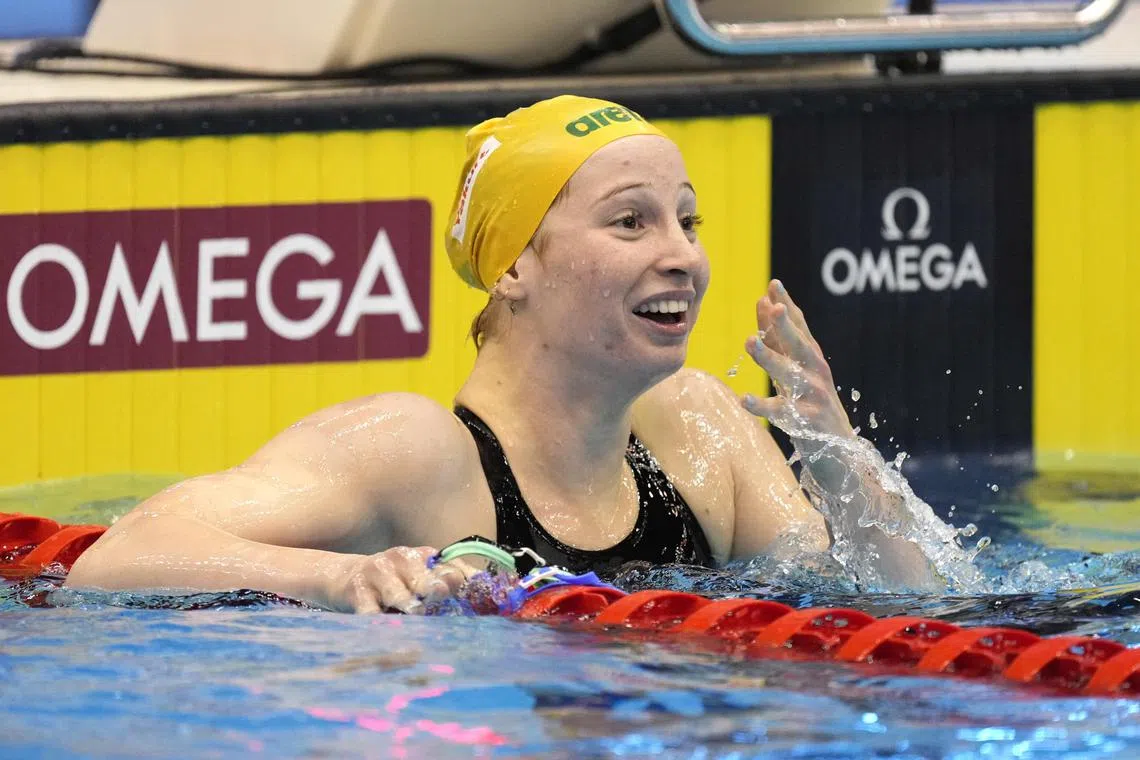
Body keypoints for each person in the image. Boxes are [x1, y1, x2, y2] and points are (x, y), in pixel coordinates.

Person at [65, 95, 942, 613]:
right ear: (515, 265)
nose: (683, 254)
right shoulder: (415, 454)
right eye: (630, 220)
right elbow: (118, 557)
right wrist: (337, 578)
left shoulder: (698, 431)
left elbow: (901, 622)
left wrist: (841, 460)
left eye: (687, 218)